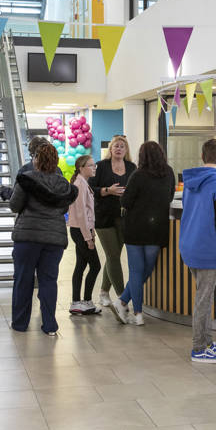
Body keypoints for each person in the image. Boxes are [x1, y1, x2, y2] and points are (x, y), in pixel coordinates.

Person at [9, 143, 78, 335]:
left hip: (28, 237)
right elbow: (63, 209)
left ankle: (20, 324)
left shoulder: (26, 179)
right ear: (55, 161)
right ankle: (49, 325)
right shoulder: (64, 184)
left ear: (36, 160)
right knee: (49, 281)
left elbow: (14, 206)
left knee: (23, 279)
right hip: (54, 239)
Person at [179, 138, 216, 364]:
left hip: (189, 245)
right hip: (208, 248)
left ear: (203, 157)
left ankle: (208, 341)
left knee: (204, 297)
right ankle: (199, 347)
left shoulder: (190, 182)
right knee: (203, 300)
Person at [111, 141, 175, 326]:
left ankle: (133, 310)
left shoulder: (138, 175)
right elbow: (170, 197)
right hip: (157, 229)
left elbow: (126, 201)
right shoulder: (169, 173)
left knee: (136, 271)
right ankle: (124, 303)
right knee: (145, 269)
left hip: (135, 228)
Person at [89, 135, 136, 306]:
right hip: (103, 217)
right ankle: (122, 297)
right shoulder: (101, 166)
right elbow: (90, 189)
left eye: (122, 146)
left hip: (124, 218)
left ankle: (103, 293)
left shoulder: (132, 167)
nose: (119, 148)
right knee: (113, 255)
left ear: (126, 150)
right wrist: (107, 190)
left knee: (113, 256)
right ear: (110, 149)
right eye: (116, 145)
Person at [67, 155, 102, 315]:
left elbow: (88, 213)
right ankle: (86, 300)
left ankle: (77, 302)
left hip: (82, 229)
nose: (94, 168)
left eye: (94, 165)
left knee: (81, 266)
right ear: (81, 168)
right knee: (95, 265)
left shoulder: (83, 183)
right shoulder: (79, 185)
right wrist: (88, 238)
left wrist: (91, 231)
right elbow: (81, 214)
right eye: (91, 165)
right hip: (80, 230)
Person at [0, 136, 51, 201]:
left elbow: (15, 196)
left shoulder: (25, 170)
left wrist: (1, 188)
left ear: (31, 153)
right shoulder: (56, 170)